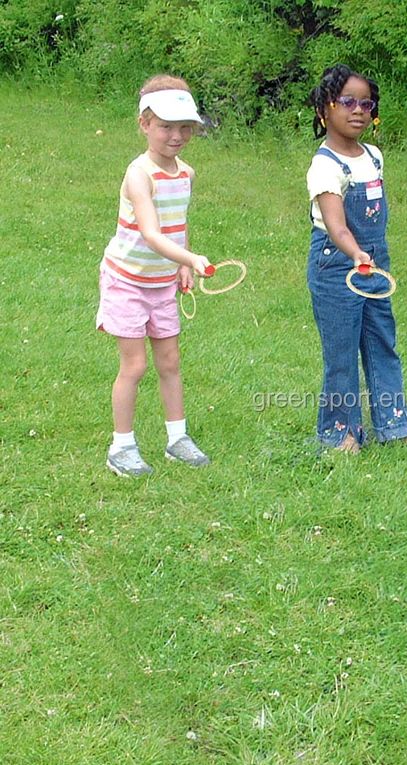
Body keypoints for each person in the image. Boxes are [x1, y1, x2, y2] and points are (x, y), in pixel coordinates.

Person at [306, 64, 407, 454]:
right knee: (341, 353)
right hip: (337, 264)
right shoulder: (324, 166)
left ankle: (396, 424)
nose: (358, 111)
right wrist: (355, 254)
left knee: (381, 342)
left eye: (366, 104)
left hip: (373, 264)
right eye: (347, 101)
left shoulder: (373, 155)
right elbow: (336, 227)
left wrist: (370, 258)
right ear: (325, 109)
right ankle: (340, 434)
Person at [96, 74, 212, 476]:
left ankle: (177, 439)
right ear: (144, 124)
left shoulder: (186, 174)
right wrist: (191, 257)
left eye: (185, 127)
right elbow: (149, 231)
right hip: (126, 280)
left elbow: (175, 224)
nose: (176, 136)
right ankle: (121, 447)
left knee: (170, 360)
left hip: (161, 282)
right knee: (135, 366)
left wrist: (181, 263)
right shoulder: (138, 174)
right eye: (166, 126)